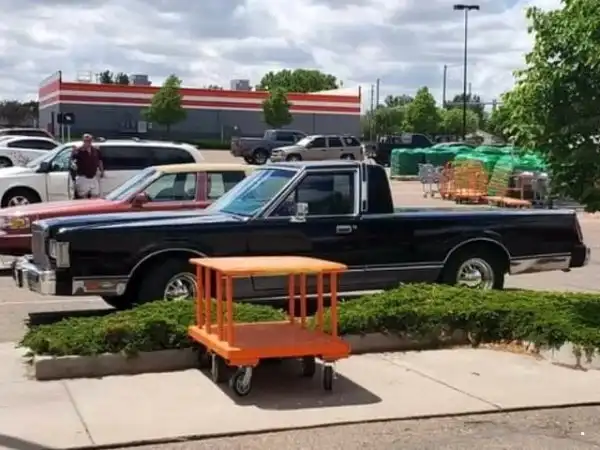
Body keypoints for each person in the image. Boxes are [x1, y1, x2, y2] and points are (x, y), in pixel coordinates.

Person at [70, 134, 104, 199]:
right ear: (83, 141)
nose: (88, 142)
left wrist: (102, 171)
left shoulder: (96, 150)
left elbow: (100, 161)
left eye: (89, 140)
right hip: (83, 177)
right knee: (83, 196)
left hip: (93, 177)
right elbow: (72, 161)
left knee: (95, 195)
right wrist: (73, 152)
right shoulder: (78, 150)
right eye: (86, 140)